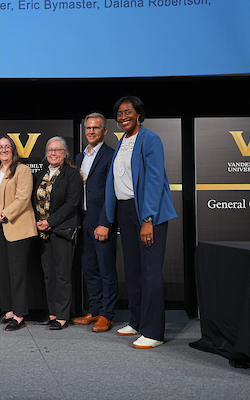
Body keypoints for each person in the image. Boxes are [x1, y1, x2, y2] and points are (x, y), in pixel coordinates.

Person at [96, 96, 177, 348]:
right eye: (119, 114)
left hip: (147, 213)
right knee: (133, 271)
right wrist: (108, 218)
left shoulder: (150, 139)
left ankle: (154, 332)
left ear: (139, 113)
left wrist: (148, 219)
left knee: (150, 273)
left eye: (127, 112)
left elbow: (154, 180)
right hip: (124, 210)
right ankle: (138, 321)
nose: (123, 117)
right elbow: (115, 182)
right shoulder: (122, 142)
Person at [72, 113, 118, 333]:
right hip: (84, 219)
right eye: (88, 128)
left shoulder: (111, 155)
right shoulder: (80, 157)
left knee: (106, 269)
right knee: (89, 268)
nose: (91, 131)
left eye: (95, 128)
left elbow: (113, 192)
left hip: (101, 220)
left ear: (104, 131)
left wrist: (106, 222)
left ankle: (107, 315)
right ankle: (95, 310)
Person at [34, 137, 83, 330]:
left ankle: (63, 316)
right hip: (43, 232)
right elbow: (35, 200)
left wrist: (50, 222)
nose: (53, 153)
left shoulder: (71, 174)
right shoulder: (42, 174)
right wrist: (39, 223)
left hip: (62, 231)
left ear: (65, 153)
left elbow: (72, 203)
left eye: (57, 150)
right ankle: (52, 312)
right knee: (49, 275)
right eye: (50, 150)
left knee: (62, 274)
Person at [0, 136, 37, 331]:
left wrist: (3, 215)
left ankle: (19, 315)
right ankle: (8, 311)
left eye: (7, 146)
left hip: (15, 224)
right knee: (3, 272)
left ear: (13, 149)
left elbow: (23, 199)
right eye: (0, 147)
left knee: (18, 273)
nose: (3, 150)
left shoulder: (22, 170)